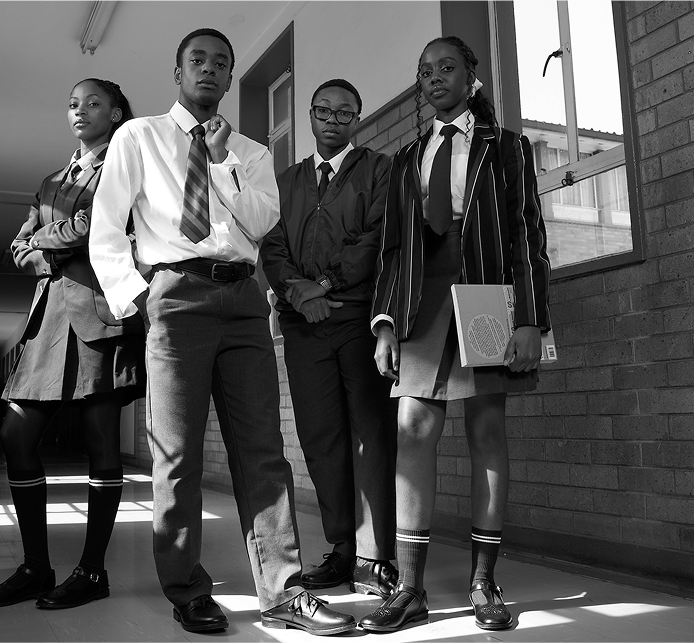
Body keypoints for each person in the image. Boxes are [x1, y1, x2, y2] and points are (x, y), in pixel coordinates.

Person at [88, 28, 355, 636]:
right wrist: (137, 298)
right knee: (176, 453)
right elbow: (106, 226)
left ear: (231, 78)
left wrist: (221, 159)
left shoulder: (253, 154)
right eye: (197, 60)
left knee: (263, 449)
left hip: (241, 299)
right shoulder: (139, 135)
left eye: (221, 64)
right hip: (174, 295)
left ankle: (284, 592)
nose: (210, 70)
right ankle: (185, 588)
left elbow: (262, 221)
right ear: (178, 71)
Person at [360, 36, 551, 633]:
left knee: (486, 426)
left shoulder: (510, 149)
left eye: (447, 67)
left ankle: (483, 581)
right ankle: (411, 588)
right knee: (413, 425)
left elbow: (527, 236)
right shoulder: (405, 159)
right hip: (421, 299)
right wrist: (385, 324)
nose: (434, 77)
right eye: (424, 71)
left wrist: (530, 320)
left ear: (471, 76)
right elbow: (393, 250)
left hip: (487, 294)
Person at [0, 79, 145, 610]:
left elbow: (101, 226)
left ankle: (92, 572)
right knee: (15, 435)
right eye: (73, 103)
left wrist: (45, 243)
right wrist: (50, 248)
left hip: (100, 313)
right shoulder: (51, 180)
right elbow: (15, 248)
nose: (80, 111)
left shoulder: (126, 165)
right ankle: (36, 567)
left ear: (116, 113)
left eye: (93, 103)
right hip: (48, 319)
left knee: (100, 441)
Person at [260, 78, 398, 600]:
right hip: (303, 325)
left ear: (357, 120)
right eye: (323, 111)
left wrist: (327, 284)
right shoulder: (286, 181)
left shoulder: (380, 171)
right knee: (320, 438)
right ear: (311, 116)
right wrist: (299, 294)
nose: (333, 120)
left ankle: (375, 555)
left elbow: (378, 238)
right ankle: (342, 548)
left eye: (345, 113)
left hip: (357, 318)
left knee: (371, 433)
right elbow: (272, 247)